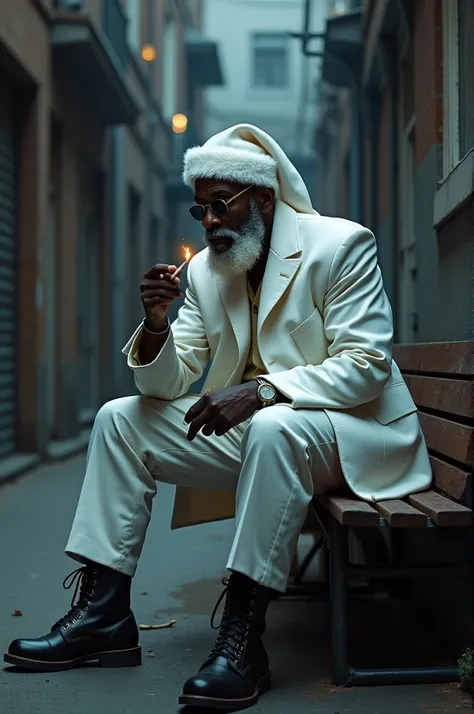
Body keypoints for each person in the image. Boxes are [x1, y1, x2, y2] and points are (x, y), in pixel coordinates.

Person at [4, 124, 432, 710]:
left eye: (218, 205)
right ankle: (102, 616)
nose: (207, 221)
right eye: (199, 208)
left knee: (275, 423)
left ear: (261, 199)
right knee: (120, 419)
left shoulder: (339, 246)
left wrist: (260, 391)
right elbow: (167, 383)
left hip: (355, 436)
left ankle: (243, 638)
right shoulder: (209, 271)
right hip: (268, 439)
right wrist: (156, 326)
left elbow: (366, 367)